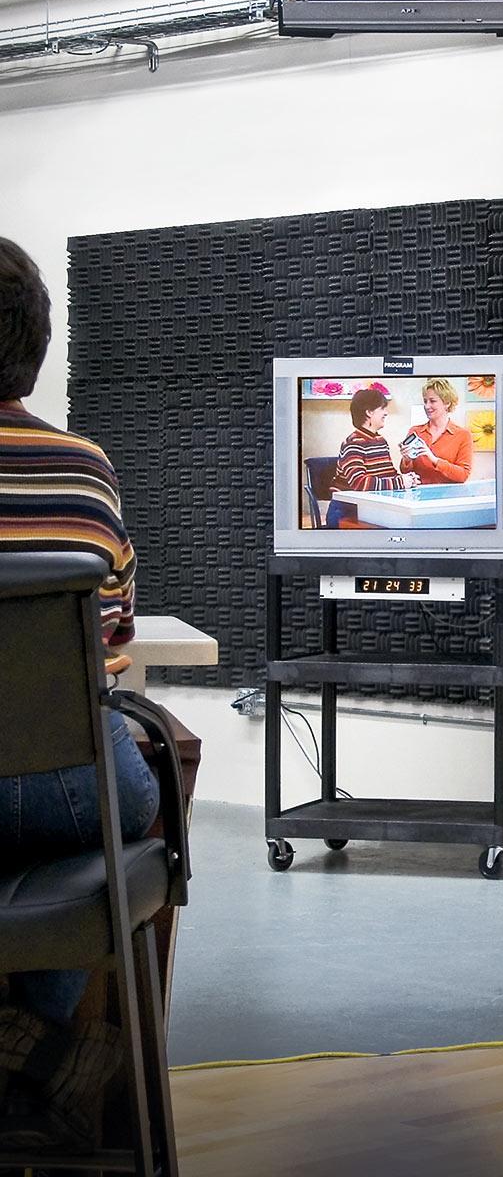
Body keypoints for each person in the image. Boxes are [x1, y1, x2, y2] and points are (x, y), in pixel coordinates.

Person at [0, 236, 158, 1146]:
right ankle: (49, 1053)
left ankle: (32, 1058)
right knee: (149, 769)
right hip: (75, 788)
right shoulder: (85, 467)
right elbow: (114, 637)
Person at [326, 387, 419, 528]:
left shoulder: (381, 440)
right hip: (347, 511)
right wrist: (400, 482)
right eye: (382, 408)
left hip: (371, 509)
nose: (386, 413)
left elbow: (389, 475)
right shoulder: (352, 443)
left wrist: (409, 479)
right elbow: (360, 483)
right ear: (369, 412)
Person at [399, 378, 473, 485]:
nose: (427, 406)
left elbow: (463, 475)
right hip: (418, 496)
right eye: (425, 401)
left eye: (432, 401)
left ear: (447, 403)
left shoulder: (463, 435)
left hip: (448, 497)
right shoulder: (415, 431)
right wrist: (407, 460)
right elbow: (405, 472)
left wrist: (434, 459)